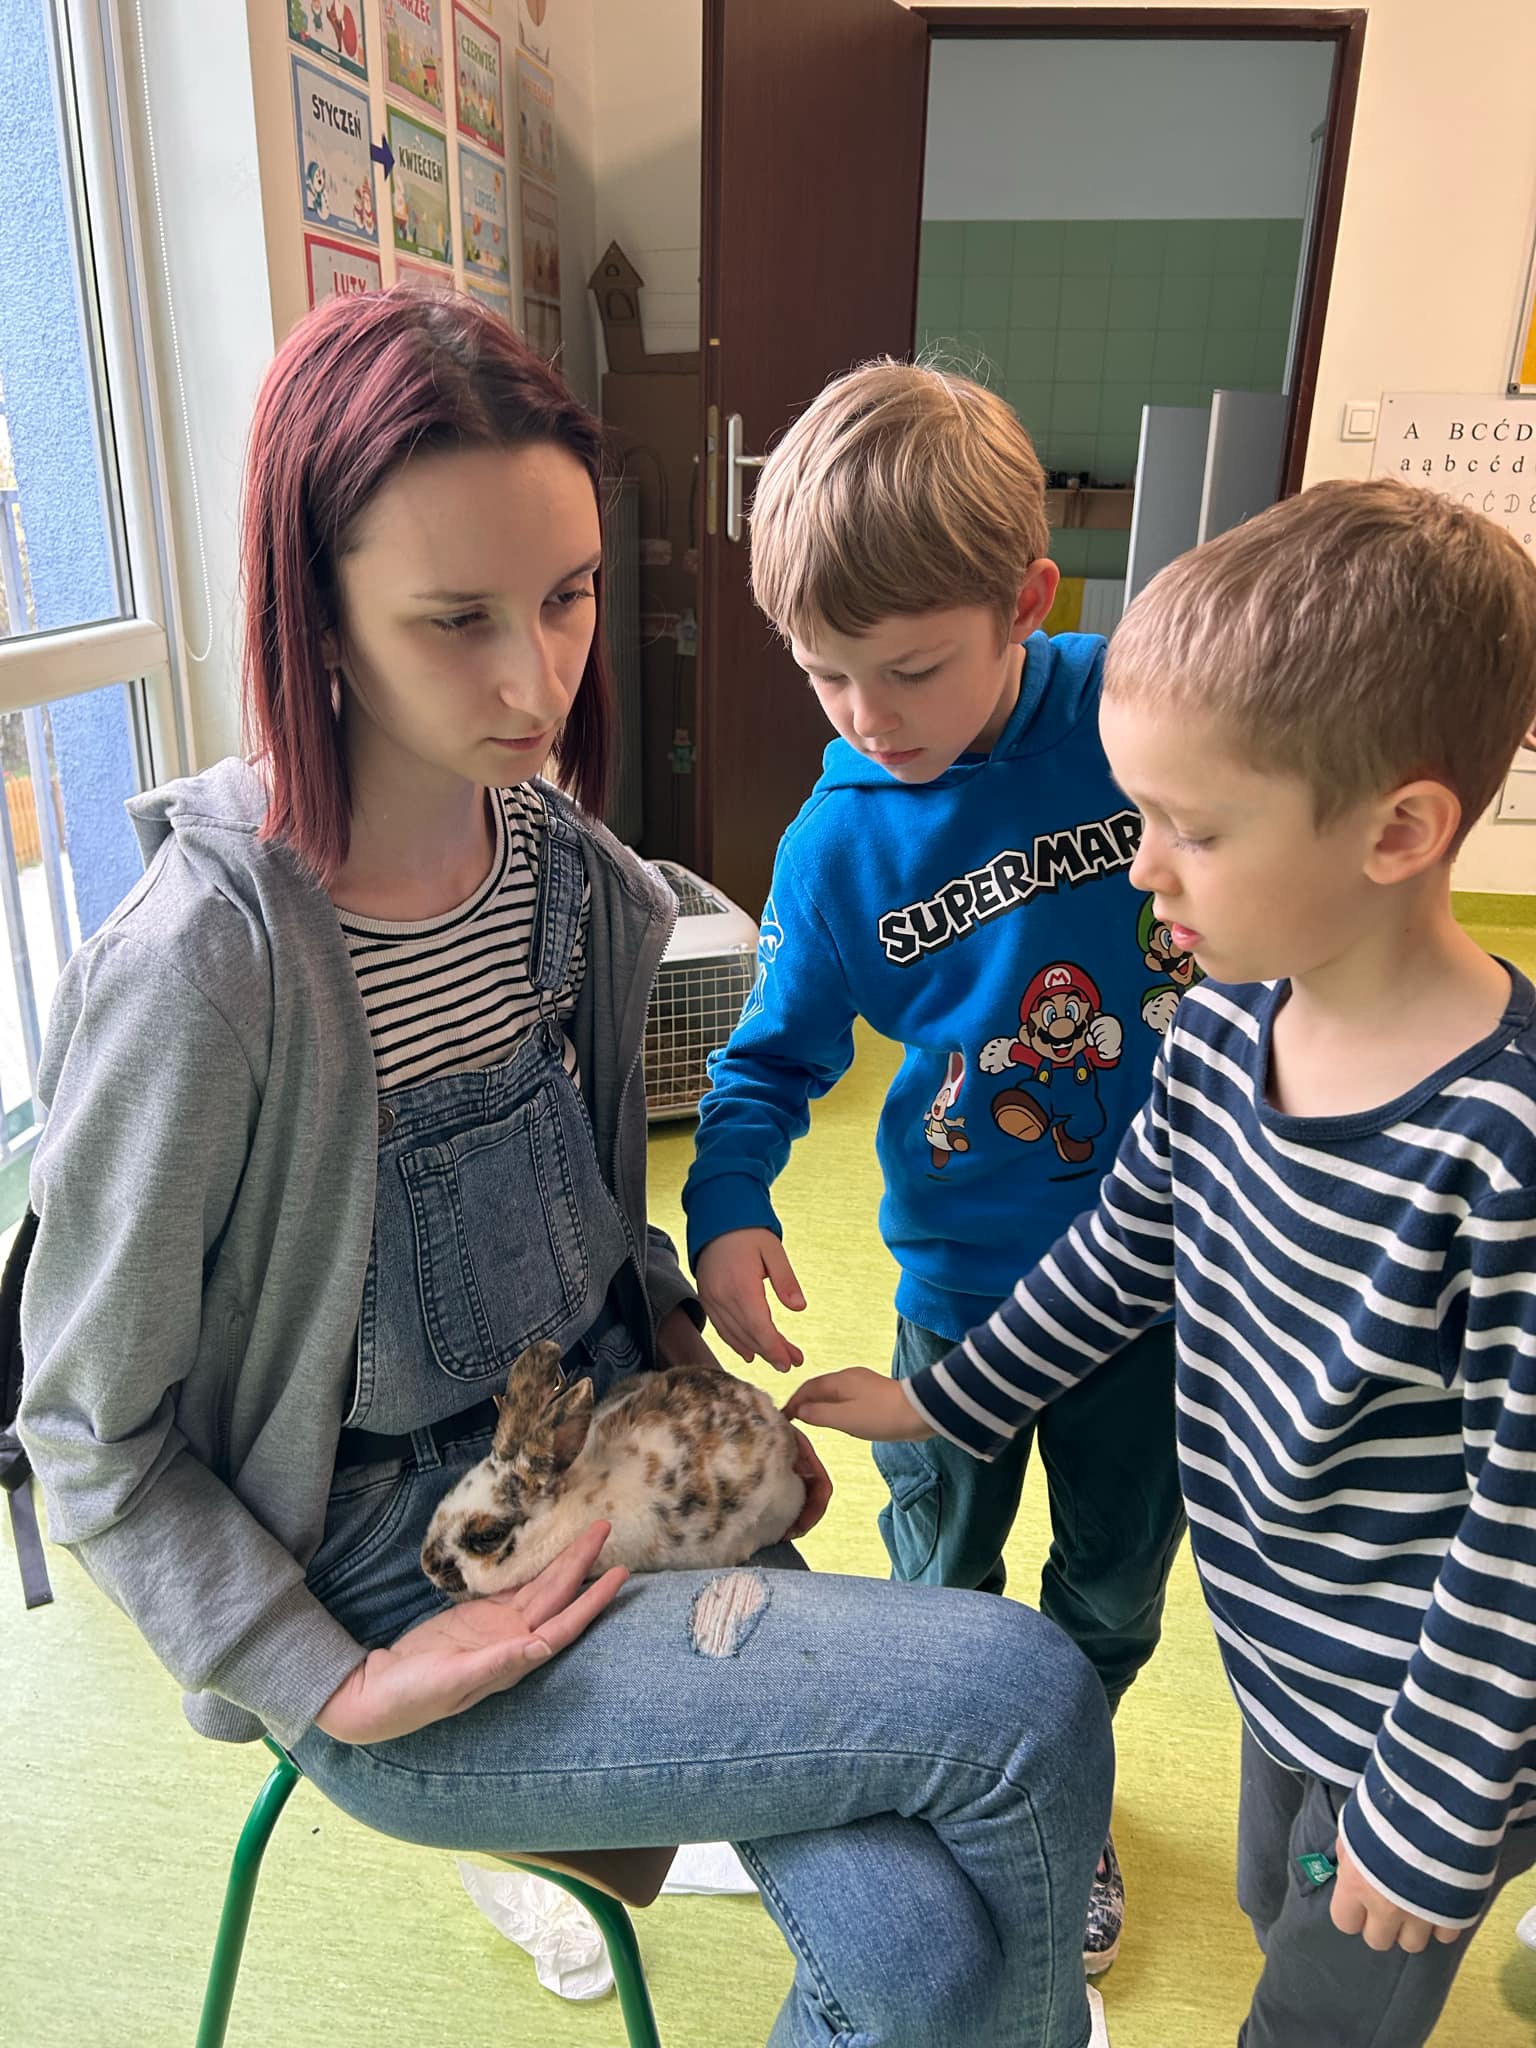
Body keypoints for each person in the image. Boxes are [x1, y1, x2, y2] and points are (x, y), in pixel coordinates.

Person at [14, 289, 1115, 2048]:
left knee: (925, 1956)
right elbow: (88, 1434)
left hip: (618, 1473)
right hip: (391, 1589)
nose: (538, 681)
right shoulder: (205, 970)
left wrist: (691, 1373)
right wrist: (331, 1683)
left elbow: (589, 1232)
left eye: (570, 595)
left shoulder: (569, 879)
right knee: (1027, 1695)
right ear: (316, 609)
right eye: (455, 619)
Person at [784, 477, 1536, 2048]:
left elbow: (1521, 1529)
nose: (1143, 870)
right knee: (1276, 1907)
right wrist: (948, 1403)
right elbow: (1120, 1258)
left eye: (1194, 830)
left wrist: (1434, 1801)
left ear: (1400, 832)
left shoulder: (1499, 1151)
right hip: (1286, 1661)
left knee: (1322, 2014)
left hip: (1431, 1726)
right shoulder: (1220, 1031)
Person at [683, 359, 1187, 1969]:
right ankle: (947, 1785)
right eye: (823, 674)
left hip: (1163, 1288)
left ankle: (1070, 1790)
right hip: (963, 1288)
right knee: (940, 1579)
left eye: (908, 671)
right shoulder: (836, 843)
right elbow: (765, 1062)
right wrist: (729, 1204)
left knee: (1111, 1585)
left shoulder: (1148, 716)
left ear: (1028, 601)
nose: (867, 718)